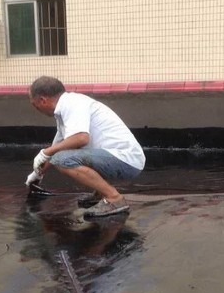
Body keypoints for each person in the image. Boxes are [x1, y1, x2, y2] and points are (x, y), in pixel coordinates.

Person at [25, 76, 145, 217]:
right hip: (120, 157)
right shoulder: (64, 110)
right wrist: (37, 175)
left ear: (42, 100)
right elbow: (56, 147)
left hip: (127, 160)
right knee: (61, 155)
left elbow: (81, 138)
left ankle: (114, 199)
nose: (36, 109)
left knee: (62, 160)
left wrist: (46, 152)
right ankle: (100, 193)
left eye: (35, 105)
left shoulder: (72, 104)